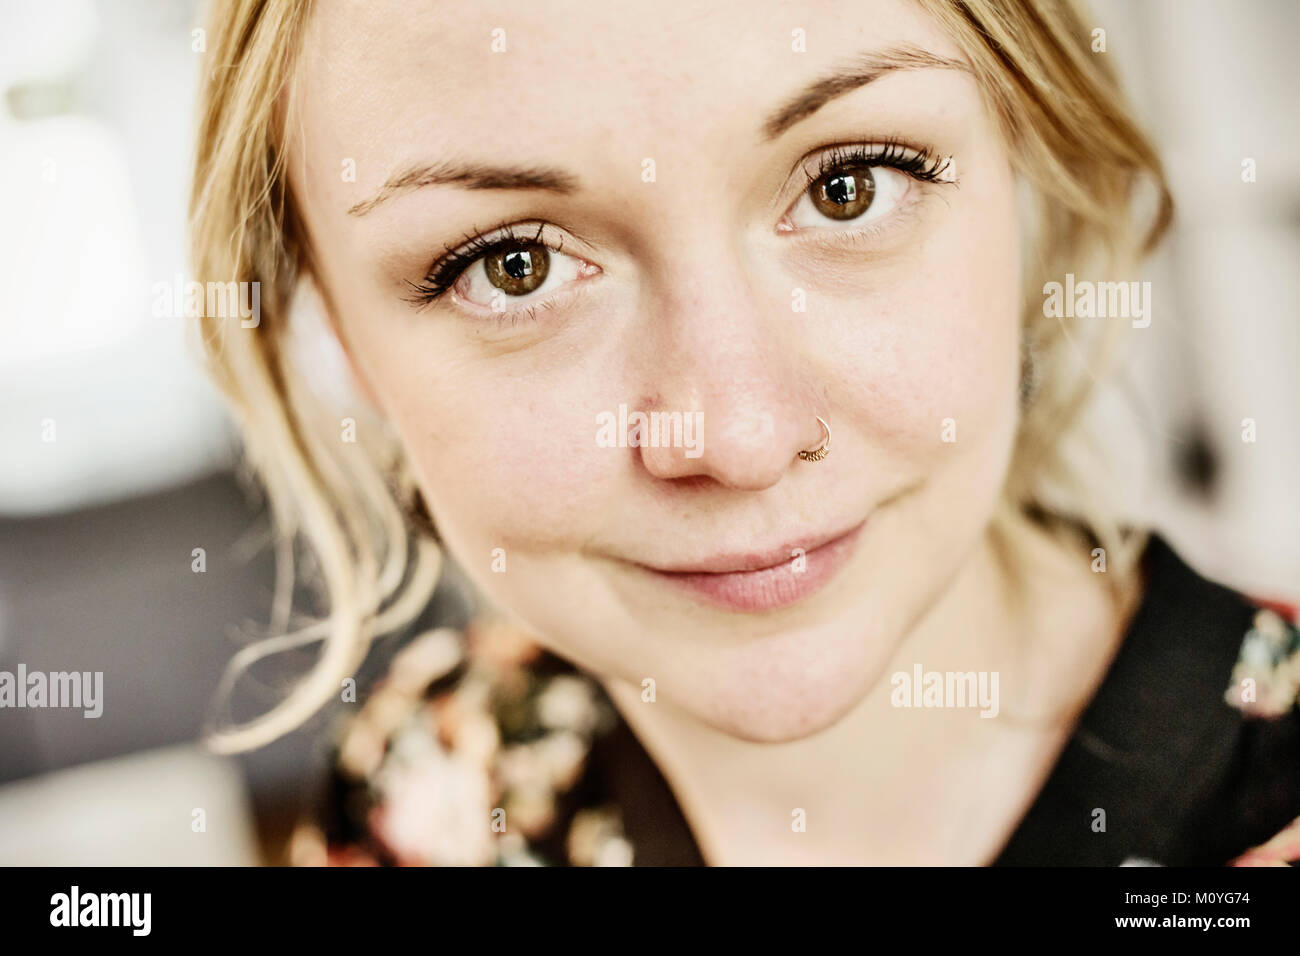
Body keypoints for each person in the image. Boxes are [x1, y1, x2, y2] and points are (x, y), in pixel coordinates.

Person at [189, 0, 1300, 865]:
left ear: (1021, 165)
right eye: (511, 263)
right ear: (338, 333)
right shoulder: (423, 774)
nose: (739, 436)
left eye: (850, 186)